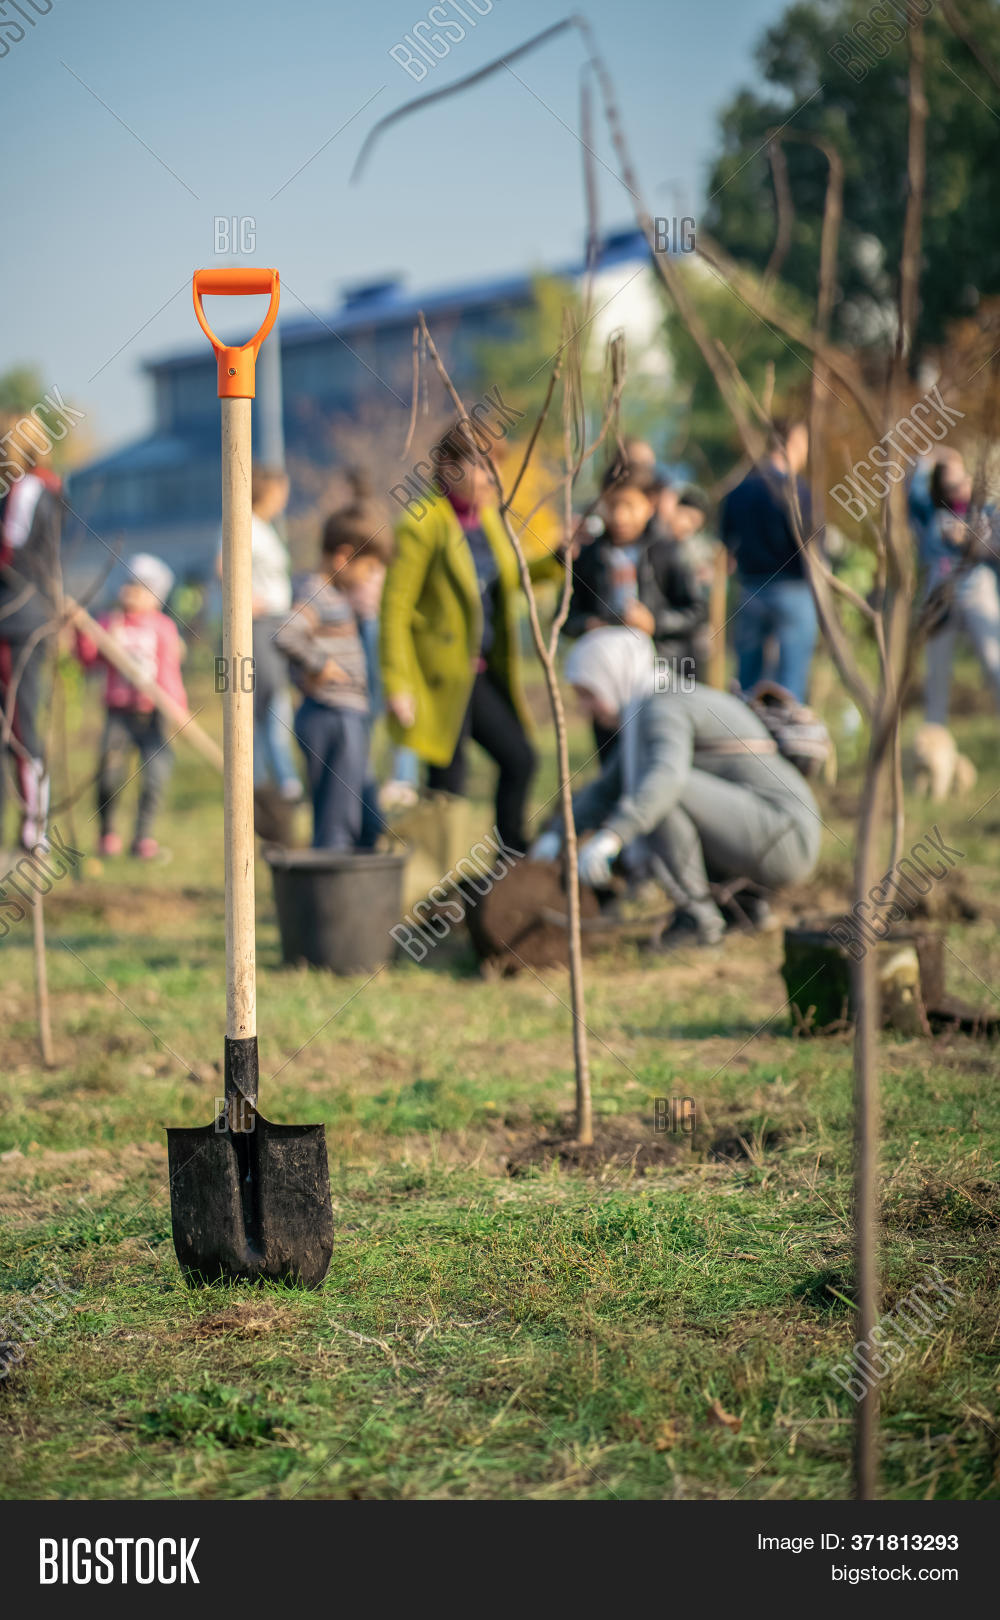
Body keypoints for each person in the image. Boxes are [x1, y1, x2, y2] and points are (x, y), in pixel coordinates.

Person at [530, 627, 821, 950]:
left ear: (612, 676)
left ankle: (698, 921)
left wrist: (613, 836)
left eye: (587, 693)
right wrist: (556, 834)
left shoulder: (663, 707)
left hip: (788, 835)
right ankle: (741, 908)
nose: (585, 708)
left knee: (662, 794)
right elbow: (605, 790)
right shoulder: (648, 708)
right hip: (768, 830)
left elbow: (666, 781)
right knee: (657, 791)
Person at [380, 420, 561, 854]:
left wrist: (557, 560)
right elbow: (395, 608)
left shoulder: (489, 522)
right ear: (446, 466)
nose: (489, 478)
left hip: (480, 674)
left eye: (493, 467)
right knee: (448, 785)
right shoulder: (422, 525)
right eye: (480, 466)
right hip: (438, 679)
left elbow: (507, 579)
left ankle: (512, 857)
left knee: (520, 758)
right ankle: (434, 888)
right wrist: (398, 684)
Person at [565, 463, 707, 753]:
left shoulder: (667, 552)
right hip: (608, 681)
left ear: (649, 504)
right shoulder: (590, 557)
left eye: (629, 505)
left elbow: (696, 610)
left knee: (656, 751)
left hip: (660, 670)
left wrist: (655, 623)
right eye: (611, 505)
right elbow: (567, 617)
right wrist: (588, 624)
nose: (619, 516)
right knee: (613, 757)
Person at [276, 504, 391, 850]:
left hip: (346, 715)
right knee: (337, 818)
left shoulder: (336, 597)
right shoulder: (316, 592)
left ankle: (362, 880)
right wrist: (318, 665)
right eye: (368, 568)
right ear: (343, 557)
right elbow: (286, 632)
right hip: (331, 715)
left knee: (367, 816)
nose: (371, 577)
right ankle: (331, 889)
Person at [75, 555, 185, 860]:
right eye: (129, 585)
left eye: (141, 588)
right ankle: (107, 832)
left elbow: (169, 671)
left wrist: (177, 708)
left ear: (156, 597)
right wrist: (81, 632)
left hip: (153, 714)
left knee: (156, 777)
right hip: (119, 713)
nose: (132, 593)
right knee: (109, 774)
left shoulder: (163, 628)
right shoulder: (110, 624)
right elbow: (89, 659)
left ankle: (143, 836)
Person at [720, 419, 818, 702]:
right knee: (790, 682)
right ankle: (785, 738)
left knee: (747, 679)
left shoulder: (738, 491)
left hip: (750, 590)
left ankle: (746, 735)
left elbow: (727, 544)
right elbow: (813, 548)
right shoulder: (799, 492)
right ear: (794, 443)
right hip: (793, 590)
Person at [0, 413, 62, 851]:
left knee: (22, 725)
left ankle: (34, 827)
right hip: (21, 615)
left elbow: (10, 550)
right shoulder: (37, 487)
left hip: (18, 619)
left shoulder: (29, 488)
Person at [909, 449, 1000, 725]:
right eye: (949, 485)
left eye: (961, 481)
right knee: (936, 672)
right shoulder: (929, 513)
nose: (957, 489)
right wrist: (933, 457)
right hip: (940, 598)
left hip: (977, 592)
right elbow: (912, 485)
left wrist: (971, 543)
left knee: (995, 662)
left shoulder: (986, 510)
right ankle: (933, 735)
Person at [245, 466, 302, 803]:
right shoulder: (245, 525)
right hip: (259, 625)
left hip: (277, 623)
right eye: (280, 492)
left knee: (275, 699)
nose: (284, 499)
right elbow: (225, 567)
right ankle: (267, 778)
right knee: (266, 698)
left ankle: (280, 777)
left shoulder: (266, 529)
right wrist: (245, 600)